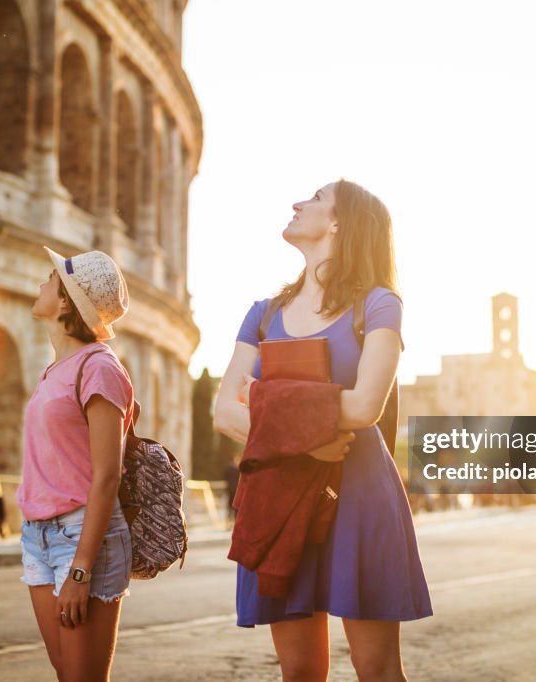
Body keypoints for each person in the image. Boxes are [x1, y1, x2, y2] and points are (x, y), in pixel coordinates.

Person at [215, 180, 432, 681]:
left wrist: (269, 409)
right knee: (299, 673)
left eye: (314, 198)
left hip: (359, 494)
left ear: (339, 222)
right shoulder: (263, 314)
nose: (297, 203)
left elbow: (365, 407)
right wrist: (310, 437)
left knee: (376, 669)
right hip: (280, 497)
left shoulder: (379, 305)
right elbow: (224, 413)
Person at [18, 247, 135, 682]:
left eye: (50, 278)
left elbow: (107, 475)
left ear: (66, 300)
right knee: (66, 671)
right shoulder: (56, 369)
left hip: (84, 538)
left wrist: (81, 569)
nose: (41, 284)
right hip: (38, 537)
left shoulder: (99, 367)